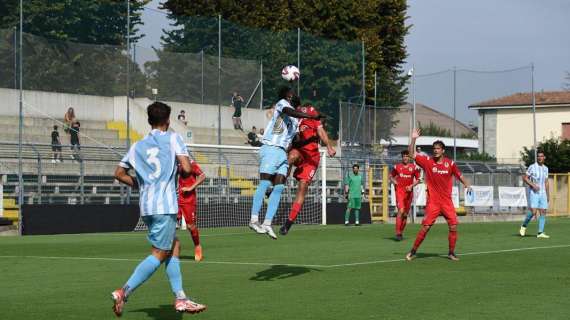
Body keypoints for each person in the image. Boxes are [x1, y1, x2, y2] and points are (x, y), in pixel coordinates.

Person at [111, 102, 206, 316]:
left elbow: (118, 173)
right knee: (159, 253)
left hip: (147, 206)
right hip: (165, 205)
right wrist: (181, 168)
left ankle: (181, 297)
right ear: (168, 120)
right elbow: (188, 168)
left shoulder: (137, 145)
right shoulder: (173, 138)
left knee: (174, 246)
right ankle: (124, 291)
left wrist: (139, 184)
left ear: (149, 121)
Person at [248, 87, 322, 239]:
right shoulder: (282, 104)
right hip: (271, 147)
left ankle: (267, 223)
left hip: (282, 152)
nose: (293, 95)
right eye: (291, 94)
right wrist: (310, 115)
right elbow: (291, 112)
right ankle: (254, 219)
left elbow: (295, 139)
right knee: (264, 183)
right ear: (287, 97)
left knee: (280, 186)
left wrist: (312, 137)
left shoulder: (295, 121)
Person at [405, 128, 471, 261]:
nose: (435, 150)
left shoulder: (450, 164)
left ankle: (451, 252)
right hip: (433, 202)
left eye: (438, 148)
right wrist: (413, 138)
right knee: (426, 228)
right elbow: (411, 154)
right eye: (434, 148)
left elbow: (460, 175)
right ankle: (413, 251)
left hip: (446, 202)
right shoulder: (427, 162)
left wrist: (467, 184)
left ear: (443, 150)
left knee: (453, 226)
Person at [279, 103, 336, 235]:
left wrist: (329, 147)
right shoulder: (292, 118)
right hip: (299, 152)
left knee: (303, 187)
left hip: (312, 158)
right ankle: (278, 185)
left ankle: (289, 223)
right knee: (291, 157)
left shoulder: (312, 115)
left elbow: (321, 131)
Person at [178, 159, 207, 261]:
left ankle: (197, 246)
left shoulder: (190, 163)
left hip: (188, 200)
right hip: (174, 198)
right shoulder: (172, 162)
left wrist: (190, 188)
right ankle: (169, 250)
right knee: (169, 223)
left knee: (190, 226)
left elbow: (202, 176)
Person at [391, 150, 421, 241]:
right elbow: (391, 176)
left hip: (409, 193)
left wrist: (411, 186)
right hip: (400, 192)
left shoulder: (414, 167)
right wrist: (394, 181)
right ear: (402, 157)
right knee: (401, 210)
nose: (405, 158)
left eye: (407, 156)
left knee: (405, 214)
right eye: (404, 156)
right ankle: (398, 233)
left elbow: (419, 179)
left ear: (409, 157)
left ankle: (400, 232)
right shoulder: (397, 167)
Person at [519, 151, 550, 238]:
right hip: (534, 193)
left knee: (543, 211)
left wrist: (548, 195)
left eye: (541, 156)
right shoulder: (532, 167)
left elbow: (546, 182)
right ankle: (523, 226)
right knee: (533, 211)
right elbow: (525, 178)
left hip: (543, 193)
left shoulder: (546, 168)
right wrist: (533, 185)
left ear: (544, 158)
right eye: (538, 156)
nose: (540, 158)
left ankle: (540, 232)